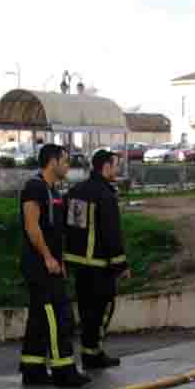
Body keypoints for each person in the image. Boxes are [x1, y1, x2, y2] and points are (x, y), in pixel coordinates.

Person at [18, 144, 89, 387]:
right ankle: (63, 370)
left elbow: (56, 232)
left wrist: (60, 260)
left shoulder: (54, 192)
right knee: (58, 316)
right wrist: (48, 257)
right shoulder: (34, 188)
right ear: (52, 161)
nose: (68, 165)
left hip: (52, 265)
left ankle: (33, 369)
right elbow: (32, 226)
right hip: (40, 266)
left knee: (39, 317)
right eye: (65, 161)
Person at [63, 149, 131, 369]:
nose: (117, 170)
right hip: (100, 266)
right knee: (103, 309)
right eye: (115, 165)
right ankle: (93, 353)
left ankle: (88, 353)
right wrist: (121, 265)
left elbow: (72, 226)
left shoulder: (77, 191)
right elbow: (112, 233)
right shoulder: (106, 194)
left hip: (79, 264)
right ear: (106, 167)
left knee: (85, 310)